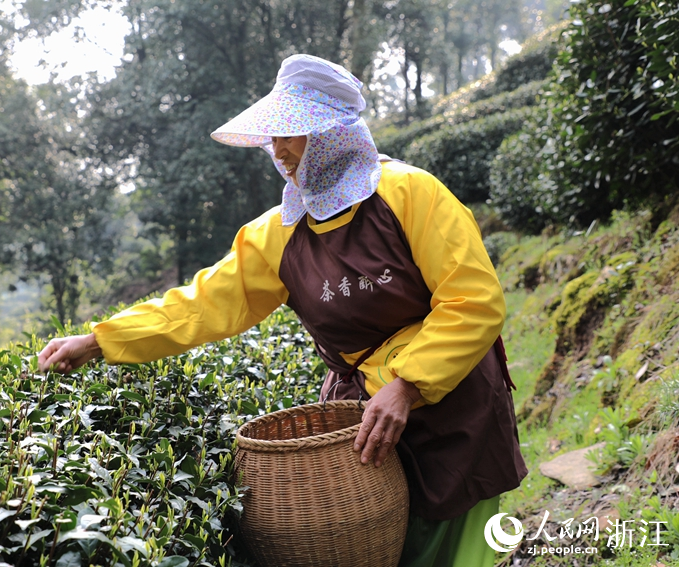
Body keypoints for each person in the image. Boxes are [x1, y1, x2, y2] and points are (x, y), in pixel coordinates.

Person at [38, 53, 527, 566]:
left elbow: (473, 302)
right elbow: (201, 306)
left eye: (292, 133)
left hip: (454, 407)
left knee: (452, 552)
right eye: (274, 137)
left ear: (334, 131)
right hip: (362, 419)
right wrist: (99, 341)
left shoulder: (412, 194)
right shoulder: (277, 234)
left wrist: (407, 384)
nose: (280, 151)